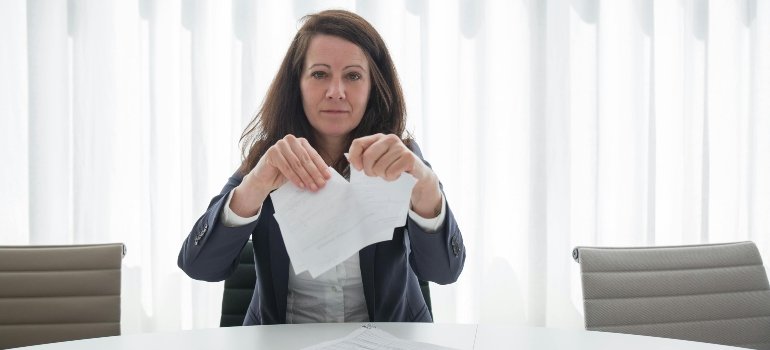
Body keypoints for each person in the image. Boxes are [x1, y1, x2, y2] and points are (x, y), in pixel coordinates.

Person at [178, 9, 465, 325]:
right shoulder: (271, 158)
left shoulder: (398, 157)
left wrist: (426, 187)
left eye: (353, 76)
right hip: (282, 342)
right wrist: (254, 188)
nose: (336, 91)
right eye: (319, 74)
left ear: (373, 86)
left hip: (386, 339)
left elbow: (444, 272)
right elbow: (200, 266)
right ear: (297, 84)